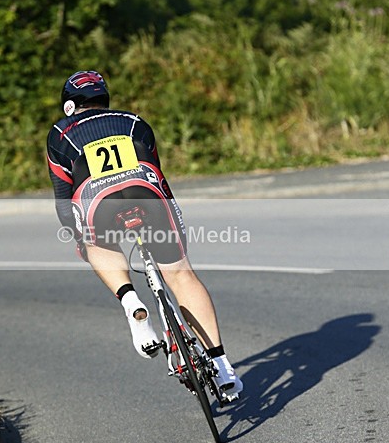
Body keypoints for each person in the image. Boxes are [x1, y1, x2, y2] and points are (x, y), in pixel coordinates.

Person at [46, 70, 243, 402]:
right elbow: (159, 178)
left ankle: (131, 302)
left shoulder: (58, 134)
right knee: (180, 274)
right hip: (146, 193)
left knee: (96, 243)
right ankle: (222, 367)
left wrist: (82, 241)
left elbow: (64, 204)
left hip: (99, 202)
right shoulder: (135, 122)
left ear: (69, 106)